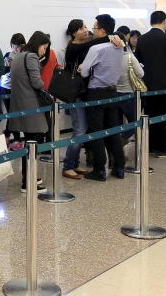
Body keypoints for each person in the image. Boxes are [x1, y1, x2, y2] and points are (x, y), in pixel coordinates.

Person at [78, 14, 127, 181]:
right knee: (113, 129)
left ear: (103, 30)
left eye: (95, 28)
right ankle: (119, 167)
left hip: (96, 92)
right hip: (112, 91)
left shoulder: (96, 49)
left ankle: (99, 170)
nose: (93, 31)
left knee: (96, 131)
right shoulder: (120, 47)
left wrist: (82, 69)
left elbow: (84, 71)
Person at [8, 31, 51, 192]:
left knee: (29, 143)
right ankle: (28, 182)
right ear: (37, 44)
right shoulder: (31, 57)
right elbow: (37, 83)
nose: (44, 52)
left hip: (20, 105)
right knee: (34, 144)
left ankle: (29, 176)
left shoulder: (19, 55)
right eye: (44, 48)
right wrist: (44, 83)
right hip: (32, 106)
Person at [135, 11, 166, 158]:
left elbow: (138, 59)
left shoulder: (142, 38)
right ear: (164, 21)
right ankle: (160, 147)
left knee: (151, 114)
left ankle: (149, 145)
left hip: (148, 83)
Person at [61, 19, 93, 178]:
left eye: (86, 27)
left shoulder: (84, 47)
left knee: (82, 129)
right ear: (73, 33)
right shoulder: (73, 48)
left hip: (84, 93)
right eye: (81, 28)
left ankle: (74, 164)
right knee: (79, 130)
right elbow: (86, 46)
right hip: (75, 95)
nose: (85, 30)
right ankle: (67, 166)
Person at [114, 32, 144, 143]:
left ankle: (116, 151)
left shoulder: (109, 58)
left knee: (116, 125)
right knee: (135, 122)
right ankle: (122, 141)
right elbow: (141, 74)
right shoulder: (129, 57)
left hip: (114, 94)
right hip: (128, 94)